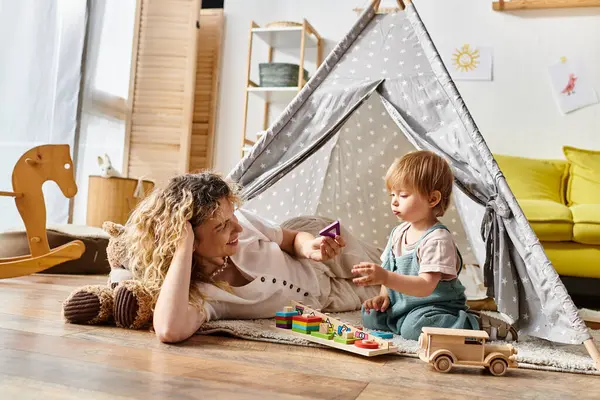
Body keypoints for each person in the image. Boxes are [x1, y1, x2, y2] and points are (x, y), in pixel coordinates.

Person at [120, 171, 381, 343]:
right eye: (221, 226)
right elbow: (168, 329)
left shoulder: (243, 224)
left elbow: (290, 239)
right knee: (391, 295)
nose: (238, 228)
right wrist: (182, 246)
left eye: (231, 216)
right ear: (189, 241)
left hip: (313, 247)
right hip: (325, 299)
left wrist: (310, 246)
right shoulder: (204, 294)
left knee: (395, 266)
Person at [351, 150, 516, 341]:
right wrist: (384, 296)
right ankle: (403, 321)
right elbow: (389, 268)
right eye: (392, 195)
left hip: (435, 306)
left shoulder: (437, 239)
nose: (394, 201)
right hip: (405, 304)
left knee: (414, 328)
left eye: (403, 195)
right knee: (370, 315)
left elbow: (425, 287)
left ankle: (475, 324)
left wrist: (385, 277)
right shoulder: (398, 233)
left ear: (432, 199)